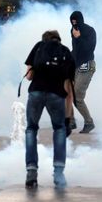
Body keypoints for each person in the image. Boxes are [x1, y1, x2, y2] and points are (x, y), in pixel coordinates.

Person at [24, 30, 75, 189]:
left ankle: (31, 172)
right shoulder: (65, 52)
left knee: (31, 129)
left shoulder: (39, 47)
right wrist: (68, 117)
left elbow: (29, 76)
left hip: (36, 92)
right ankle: (59, 174)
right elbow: (69, 88)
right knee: (59, 129)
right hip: (56, 94)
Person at [69, 11, 96, 133]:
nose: (74, 24)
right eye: (72, 22)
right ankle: (71, 121)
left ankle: (89, 123)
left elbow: (88, 49)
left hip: (87, 65)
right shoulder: (73, 31)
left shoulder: (89, 31)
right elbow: (76, 51)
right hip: (76, 66)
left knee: (77, 96)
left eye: (76, 21)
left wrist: (79, 37)